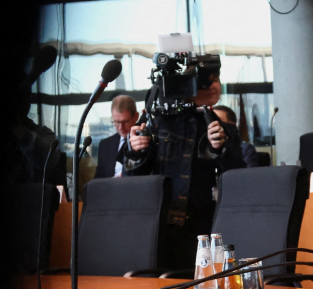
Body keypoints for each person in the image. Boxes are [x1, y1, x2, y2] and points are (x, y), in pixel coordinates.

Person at [126, 75, 244, 268]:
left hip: (201, 227)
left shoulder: (223, 128)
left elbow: (237, 180)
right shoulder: (157, 122)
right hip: (158, 226)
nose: (213, 86)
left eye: (216, 79)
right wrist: (136, 151)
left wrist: (219, 149)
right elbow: (134, 177)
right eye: (206, 80)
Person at [94, 95, 139, 179]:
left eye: (125, 122)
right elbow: (98, 179)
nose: (121, 127)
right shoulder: (105, 145)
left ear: (136, 117)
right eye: (116, 122)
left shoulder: (144, 141)